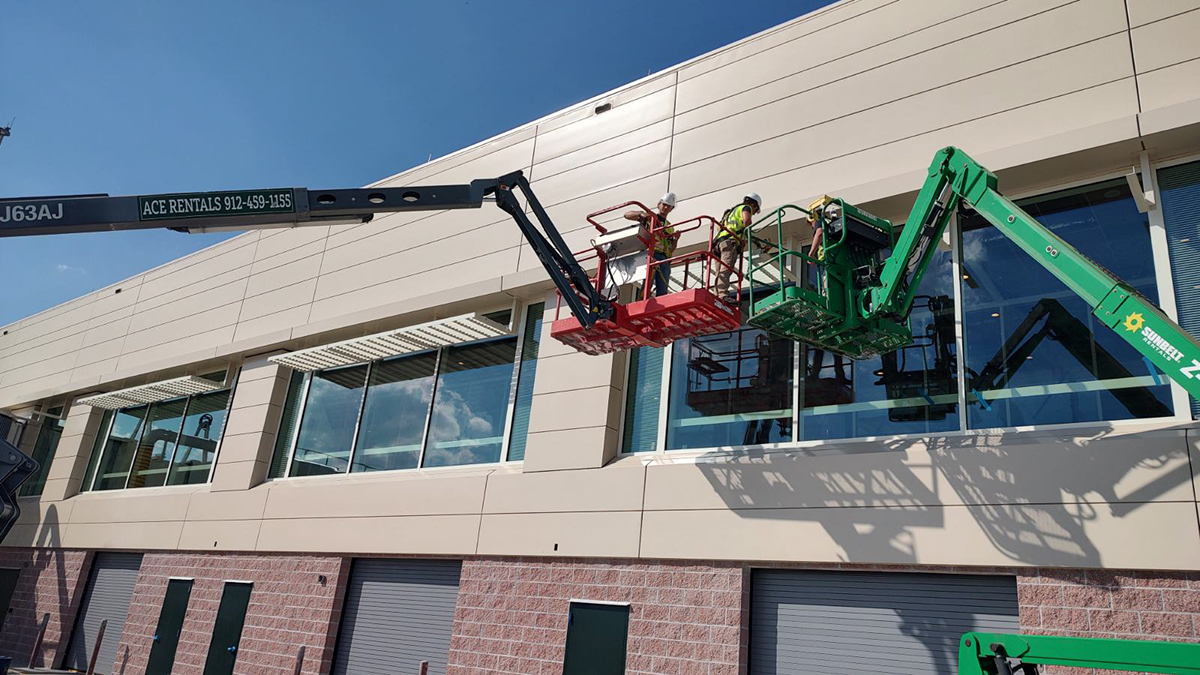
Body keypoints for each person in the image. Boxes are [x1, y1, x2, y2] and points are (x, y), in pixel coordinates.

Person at [624, 192, 677, 297]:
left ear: (671, 209)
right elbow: (626, 215)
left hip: (664, 259)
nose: (665, 207)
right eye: (664, 204)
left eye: (668, 206)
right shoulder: (650, 217)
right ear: (659, 205)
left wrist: (676, 240)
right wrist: (641, 214)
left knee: (663, 290)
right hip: (651, 254)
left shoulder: (670, 227)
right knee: (647, 284)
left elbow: (671, 249)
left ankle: (658, 308)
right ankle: (641, 302)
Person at [713, 192, 762, 302]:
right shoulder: (746, 208)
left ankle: (717, 295)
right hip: (729, 243)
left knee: (719, 272)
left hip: (718, 243)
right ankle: (722, 295)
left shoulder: (730, 212)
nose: (753, 213)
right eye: (755, 211)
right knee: (726, 269)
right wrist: (746, 238)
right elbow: (747, 222)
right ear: (754, 205)